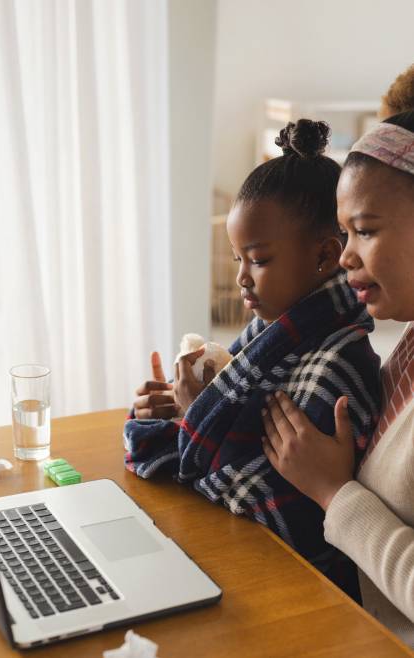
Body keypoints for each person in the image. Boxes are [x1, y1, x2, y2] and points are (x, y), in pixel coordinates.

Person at [126, 119, 381, 599]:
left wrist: (194, 414)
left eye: (259, 260)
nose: (242, 277)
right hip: (239, 560)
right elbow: (231, 444)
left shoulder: (339, 365)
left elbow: (270, 507)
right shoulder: (272, 330)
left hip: (302, 593)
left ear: (327, 255)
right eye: (237, 258)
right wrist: (176, 410)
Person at [262, 111, 414, 647]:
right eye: (344, 232)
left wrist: (334, 491)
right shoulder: (408, 340)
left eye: (365, 230)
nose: (345, 255)